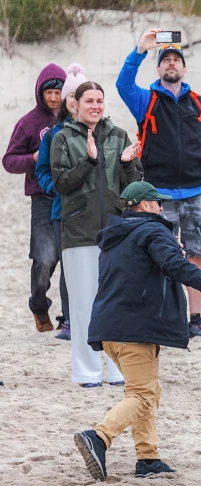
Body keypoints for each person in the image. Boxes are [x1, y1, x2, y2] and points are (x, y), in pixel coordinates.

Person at [72, 182, 201, 482]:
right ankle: (99, 436)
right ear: (145, 205)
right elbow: (177, 266)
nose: (162, 208)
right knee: (142, 396)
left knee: (146, 392)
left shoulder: (114, 237)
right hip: (133, 329)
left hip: (109, 328)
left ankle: (148, 458)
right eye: (158, 203)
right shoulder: (152, 231)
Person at [117, 28, 201, 341]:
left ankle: (196, 319)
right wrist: (140, 50)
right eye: (166, 60)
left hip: (196, 192)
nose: (172, 64)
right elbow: (122, 84)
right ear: (159, 68)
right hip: (157, 194)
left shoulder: (199, 103)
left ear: (184, 68)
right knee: (160, 256)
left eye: (177, 59)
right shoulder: (145, 100)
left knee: (196, 255)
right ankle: (163, 316)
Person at [51, 81, 143, 387]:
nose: (95, 106)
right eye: (89, 100)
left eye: (100, 100)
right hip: (79, 233)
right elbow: (61, 184)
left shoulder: (118, 136)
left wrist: (129, 164)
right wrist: (89, 160)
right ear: (75, 104)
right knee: (83, 304)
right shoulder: (62, 137)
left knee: (117, 301)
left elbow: (133, 188)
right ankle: (87, 372)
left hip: (116, 232)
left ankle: (117, 371)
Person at [3, 63, 65, 333]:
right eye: (48, 92)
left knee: (72, 260)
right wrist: (33, 158)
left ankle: (71, 317)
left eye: (58, 93)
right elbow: (8, 160)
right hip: (42, 198)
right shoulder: (28, 123)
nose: (53, 98)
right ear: (40, 92)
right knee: (44, 258)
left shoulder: (74, 118)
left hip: (73, 197)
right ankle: (39, 305)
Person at [36, 63, 88, 341]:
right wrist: (56, 189)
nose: (77, 102)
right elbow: (42, 170)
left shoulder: (103, 131)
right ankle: (69, 321)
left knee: (95, 266)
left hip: (95, 212)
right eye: (73, 97)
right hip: (62, 210)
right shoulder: (55, 134)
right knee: (69, 267)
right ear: (70, 103)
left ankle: (92, 319)